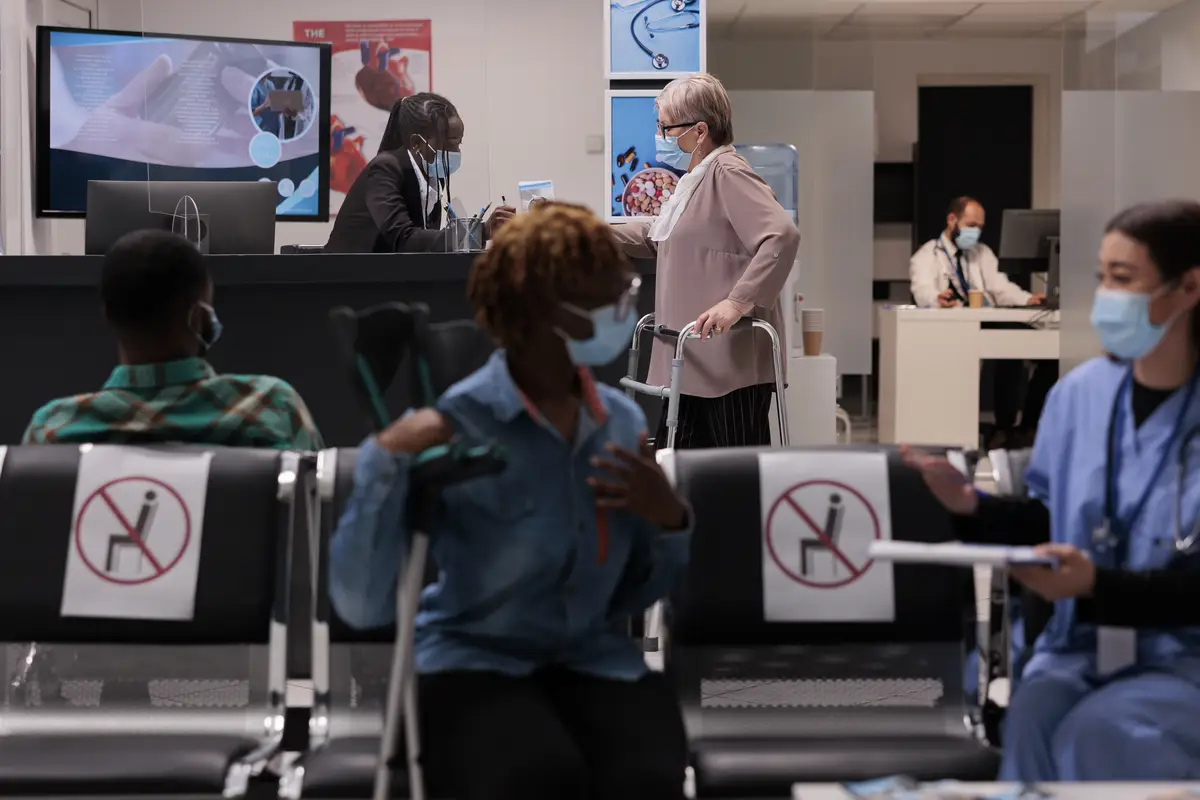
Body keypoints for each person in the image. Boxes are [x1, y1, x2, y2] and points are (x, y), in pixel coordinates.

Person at [327, 202, 691, 800]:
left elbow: (632, 596)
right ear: (548, 310)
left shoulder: (619, 424)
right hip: (473, 662)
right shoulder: (457, 424)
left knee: (647, 776)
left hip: (591, 658)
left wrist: (667, 521)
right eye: (609, 294)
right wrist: (383, 463)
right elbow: (360, 605)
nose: (625, 306)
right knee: (534, 778)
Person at [904, 199, 1200, 781]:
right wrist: (973, 506)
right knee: (1035, 710)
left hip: (1183, 655)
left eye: (1123, 279)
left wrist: (1096, 585)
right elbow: (1052, 518)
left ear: (1188, 288)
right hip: (1082, 645)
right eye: (1102, 278)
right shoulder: (1079, 397)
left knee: (1102, 730)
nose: (1107, 296)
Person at [611, 73, 799, 448]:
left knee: (732, 472)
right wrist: (582, 227)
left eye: (665, 127)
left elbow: (782, 235)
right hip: (693, 359)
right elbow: (656, 235)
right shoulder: (696, 179)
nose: (659, 135)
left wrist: (736, 302)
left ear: (699, 131)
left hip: (728, 365)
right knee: (680, 467)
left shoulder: (727, 172)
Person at [24, 229, 322, 450]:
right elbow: (317, 508)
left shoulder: (52, 430)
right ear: (199, 319)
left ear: (109, 316)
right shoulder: (272, 408)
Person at [909, 196, 1057, 447]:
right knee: (1007, 349)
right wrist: (936, 298)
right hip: (954, 327)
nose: (975, 232)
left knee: (1044, 351)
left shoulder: (982, 253)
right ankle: (1003, 426)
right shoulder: (926, 255)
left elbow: (1000, 286)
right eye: (971, 225)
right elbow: (921, 289)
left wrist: (1028, 298)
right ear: (952, 220)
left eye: (980, 227)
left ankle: (1027, 426)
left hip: (987, 318)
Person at [324, 93, 515, 254]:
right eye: (449, 143)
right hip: (348, 278)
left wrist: (479, 232)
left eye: (458, 143)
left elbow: (425, 242)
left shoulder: (432, 177)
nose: (456, 152)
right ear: (417, 143)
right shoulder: (384, 170)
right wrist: (480, 231)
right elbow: (404, 239)